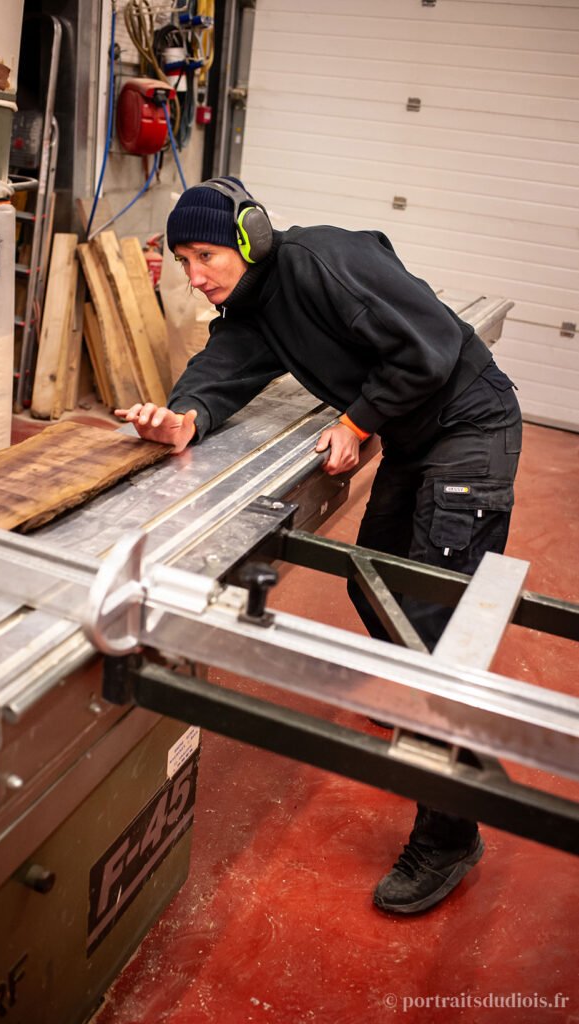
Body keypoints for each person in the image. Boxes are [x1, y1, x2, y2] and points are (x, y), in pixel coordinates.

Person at [116, 177, 522, 915]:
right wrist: (181, 418)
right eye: (181, 261)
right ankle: (427, 721)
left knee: (432, 635)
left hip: (468, 430)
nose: (195, 275)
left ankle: (449, 832)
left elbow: (427, 346)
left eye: (205, 253)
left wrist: (356, 421)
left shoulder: (320, 261)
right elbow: (221, 373)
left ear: (250, 236)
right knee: (373, 586)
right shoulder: (253, 306)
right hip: (415, 438)